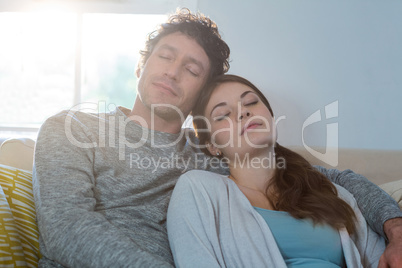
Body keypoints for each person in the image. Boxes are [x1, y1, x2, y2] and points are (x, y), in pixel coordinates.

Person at [32, 8, 402, 268]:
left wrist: (394, 227)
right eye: (165, 57)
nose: (173, 72)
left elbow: (331, 179)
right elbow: (66, 228)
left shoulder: (213, 150)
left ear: (200, 96)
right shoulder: (75, 130)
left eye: (191, 69)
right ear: (141, 65)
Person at [167, 74, 400, 267]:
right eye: (223, 115)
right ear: (212, 145)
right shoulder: (198, 189)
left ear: (270, 116)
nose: (242, 113)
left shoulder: (330, 191)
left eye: (250, 103)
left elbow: (381, 257)